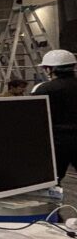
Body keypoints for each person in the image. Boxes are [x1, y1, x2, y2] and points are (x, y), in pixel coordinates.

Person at [31, 50, 77, 181]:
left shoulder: (43, 89)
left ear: (49, 69)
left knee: (52, 180)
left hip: (57, 142)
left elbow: (34, 118)